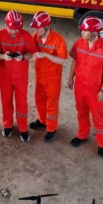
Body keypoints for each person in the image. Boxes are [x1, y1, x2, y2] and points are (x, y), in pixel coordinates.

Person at [67, 16, 103, 158]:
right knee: (81, 112)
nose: (81, 32)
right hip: (80, 87)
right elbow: (74, 61)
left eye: (85, 30)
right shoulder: (79, 43)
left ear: (94, 33)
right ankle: (82, 135)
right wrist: (70, 78)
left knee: (98, 117)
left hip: (96, 91)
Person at [0, 10, 38, 142]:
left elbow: (31, 53)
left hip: (20, 76)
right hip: (4, 75)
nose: (14, 31)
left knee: (21, 102)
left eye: (17, 29)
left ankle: (23, 128)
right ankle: (7, 125)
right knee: (6, 101)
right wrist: (3, 56)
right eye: (11, 28)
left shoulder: (26, 36)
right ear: (6, 25)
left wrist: (22, 57)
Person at [29, 11, 68, 143]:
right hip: (39, 75)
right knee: (39, 99)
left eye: (37, 27)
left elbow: (62, 60)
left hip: (52, 78)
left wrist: (45, 55)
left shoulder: (58, 39)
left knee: (51, 103)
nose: (35, 30)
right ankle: (42, 121)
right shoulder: (36, 36)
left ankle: (51, 129)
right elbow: (29, 49)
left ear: (46, 27)